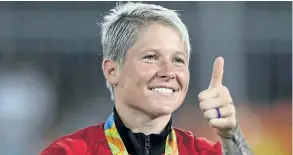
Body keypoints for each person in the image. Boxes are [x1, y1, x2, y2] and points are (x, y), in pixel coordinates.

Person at [41, 2, 253, 155]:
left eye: (178, 60)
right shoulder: (69, 152)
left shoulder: (205, 153)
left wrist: (230, 135)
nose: (168, 71)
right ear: (112, 70)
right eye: (151, 57)